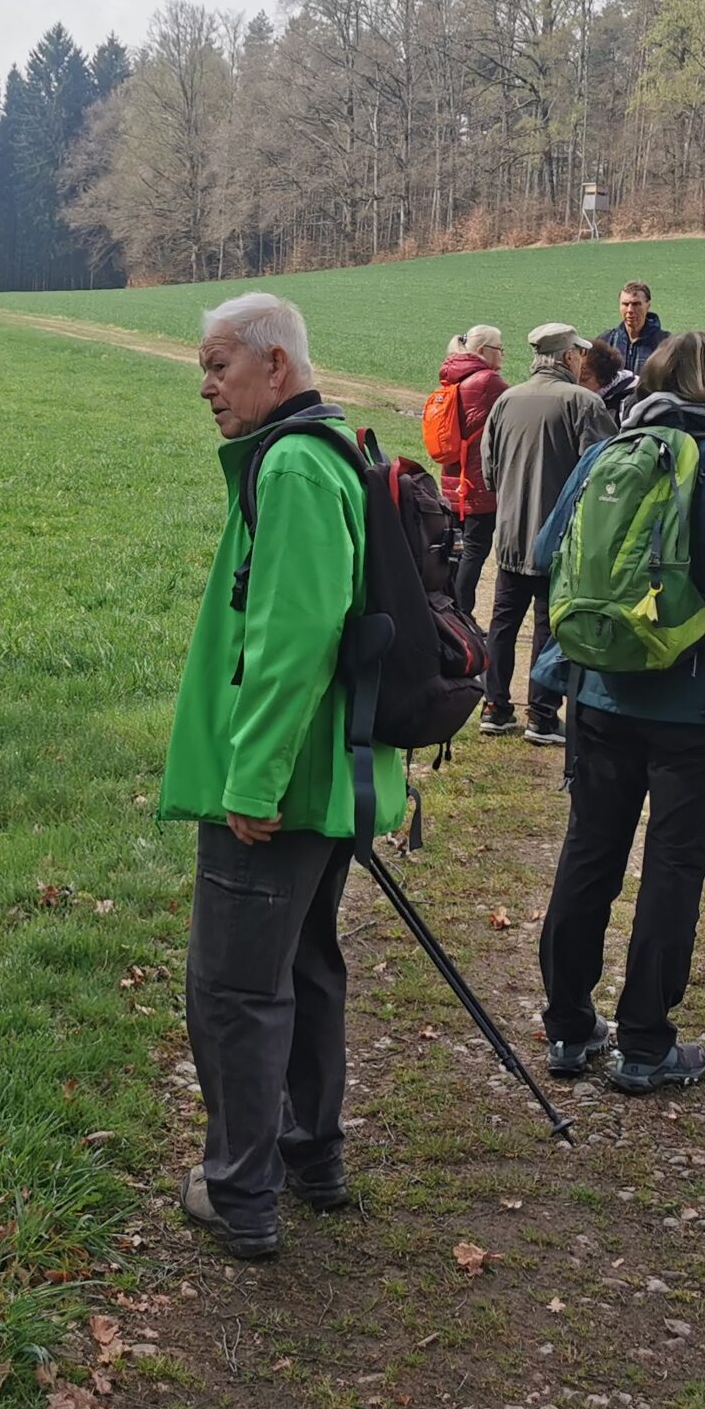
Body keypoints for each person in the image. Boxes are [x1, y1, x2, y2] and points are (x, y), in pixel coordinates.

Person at [158, 292, 404, 1258]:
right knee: (302, 970)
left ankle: (240, 1193)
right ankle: (309, 1157)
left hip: (281, 789)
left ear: (275, 365)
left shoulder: (295, 465)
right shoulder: (321, 450)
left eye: (218, 366)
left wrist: (251, 781)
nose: (207, 388)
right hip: (320, 778)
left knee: (233, 992)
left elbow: (296, 636)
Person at [528, 332, 705, 1090]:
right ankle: (646, 1045)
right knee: (673, 869)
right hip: (698, 704)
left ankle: (567, 1028)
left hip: (601, 692)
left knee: (589, 853)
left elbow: (548, 553)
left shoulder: (607, 452)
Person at [479, 322, 611, 745]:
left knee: (503, 623)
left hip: (511, 534)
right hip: (560, 539)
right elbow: (605, 473)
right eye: (580, 353)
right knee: (549, 626)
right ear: (568, 356)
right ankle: (541, 714)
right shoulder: (584, 403)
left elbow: (488, 471)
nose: (582, 360)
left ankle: (494, 706)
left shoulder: (505, 401)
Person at [434, 324, 508, 618]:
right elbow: (516, 404)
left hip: (452, 480)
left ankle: (446, 610)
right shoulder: (488, 381)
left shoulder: (451, 375)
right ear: (482, 351)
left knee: (455, 550)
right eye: (499, 348)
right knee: (474, 551)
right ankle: (462, 615)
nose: (503, 354)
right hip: (477, 485)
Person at [597, 281, 666, 374]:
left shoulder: (665, 344)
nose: (630, 310)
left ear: (648, 306)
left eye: (636, 304)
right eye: (625, 304)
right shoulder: (607, 341)